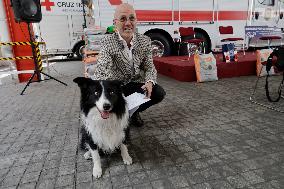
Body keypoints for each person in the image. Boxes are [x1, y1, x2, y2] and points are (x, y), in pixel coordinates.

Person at [85, 3, 166, 127]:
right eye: (123, 19)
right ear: (115, 22)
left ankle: (133, 113)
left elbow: (149, 67)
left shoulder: (145, 41)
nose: (128, 23)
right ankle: (118, 115)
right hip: (116, 86)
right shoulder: (108, 42)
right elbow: (102, 69)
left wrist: (149, 82)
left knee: (158, 92)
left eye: (131, 18)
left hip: (135, 84)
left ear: (136, 20)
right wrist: (109, 93)